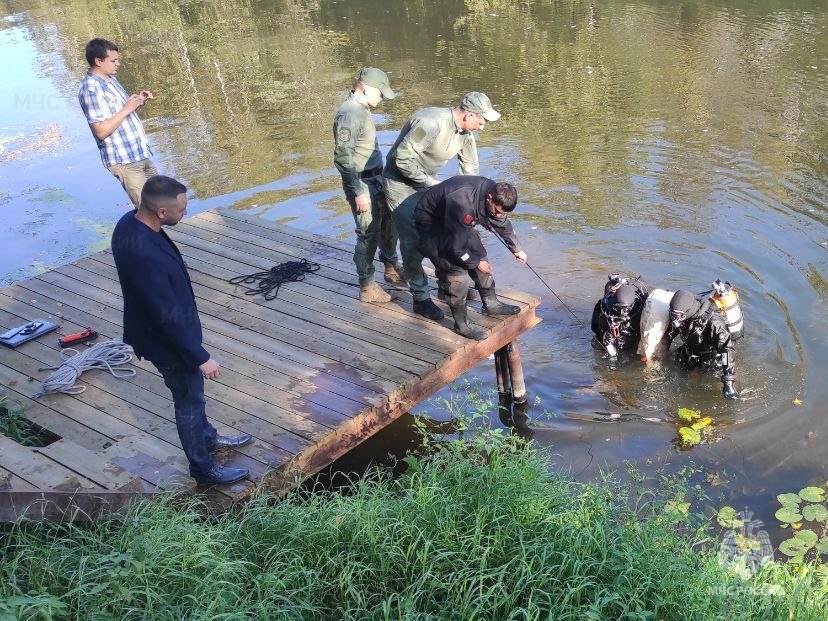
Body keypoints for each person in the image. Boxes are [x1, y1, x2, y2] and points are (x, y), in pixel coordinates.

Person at [111, 175, 252, 485]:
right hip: (166, 341)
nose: (185, 212)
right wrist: (199, 355)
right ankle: (203, 469)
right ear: (162, 212)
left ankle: (209, 438)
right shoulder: (143, 255)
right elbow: (164, 314)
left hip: (162, 329)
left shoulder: (129, 223)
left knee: (194, 396)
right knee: (188, 401)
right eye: (182, 209)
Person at [384, 92, 502, 320]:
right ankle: (420, 298)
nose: (483, 126)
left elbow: (470, 173)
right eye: (482, 120)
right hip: (400, 183)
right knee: (414, 239)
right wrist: (435, 185)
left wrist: (477, 211)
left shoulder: (466, 134)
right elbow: (401, 159)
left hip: (429, 183)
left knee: (449, 230)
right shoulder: (430, 123)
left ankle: (446, 286)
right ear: (469, 115)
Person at [413, 176, 527, 340]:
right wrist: (475, 263)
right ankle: (461, 324)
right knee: (456, 271)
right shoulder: (462, 203)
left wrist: (517, 249)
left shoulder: (495, 194)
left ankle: (491, 303)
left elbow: (501, 222)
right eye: (496, 210)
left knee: (481, 255)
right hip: (433, 224)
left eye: (502, 212)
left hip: (458, 224)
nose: (498, 215)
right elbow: (457, 248)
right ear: (489, 198)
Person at [333, 67, 405, 303]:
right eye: (381, 93)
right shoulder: (350, 113)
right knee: (368, 232)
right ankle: (367, 286)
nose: (382, 98)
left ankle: (391, 267)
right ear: (365, 87)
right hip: (361, 182)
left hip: (376, 177)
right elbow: (343, 157)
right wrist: (357, 192)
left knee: (389, 221)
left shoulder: (362, 109)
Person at [79, 38, 156, 207]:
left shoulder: (110, 80)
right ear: (98, 61)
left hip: (140, 153)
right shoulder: (91, 89)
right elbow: (100, 130)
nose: (118, 64)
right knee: (148, 211)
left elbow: (120, 116)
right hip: (125, 161)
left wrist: (138, 102)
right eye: (113, 61)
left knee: (162, 203)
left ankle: (165, 233)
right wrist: (127, 108)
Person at [667, 290, 739, 400]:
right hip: (689, 351)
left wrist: (728, 384)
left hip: (711, 359)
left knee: (701, 385)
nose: (674, 320)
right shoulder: (681, 316)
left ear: (688, 311)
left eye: (678, 316)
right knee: (674, 373)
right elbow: (670, 334)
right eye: (672, 314)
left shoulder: (714, 323)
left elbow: (727, 350)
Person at [591, 274, 648, 358]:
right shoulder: (604, 307)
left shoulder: (639, 306)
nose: (622, 312)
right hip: (621, 339)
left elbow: (594, 327)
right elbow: (596, 328)